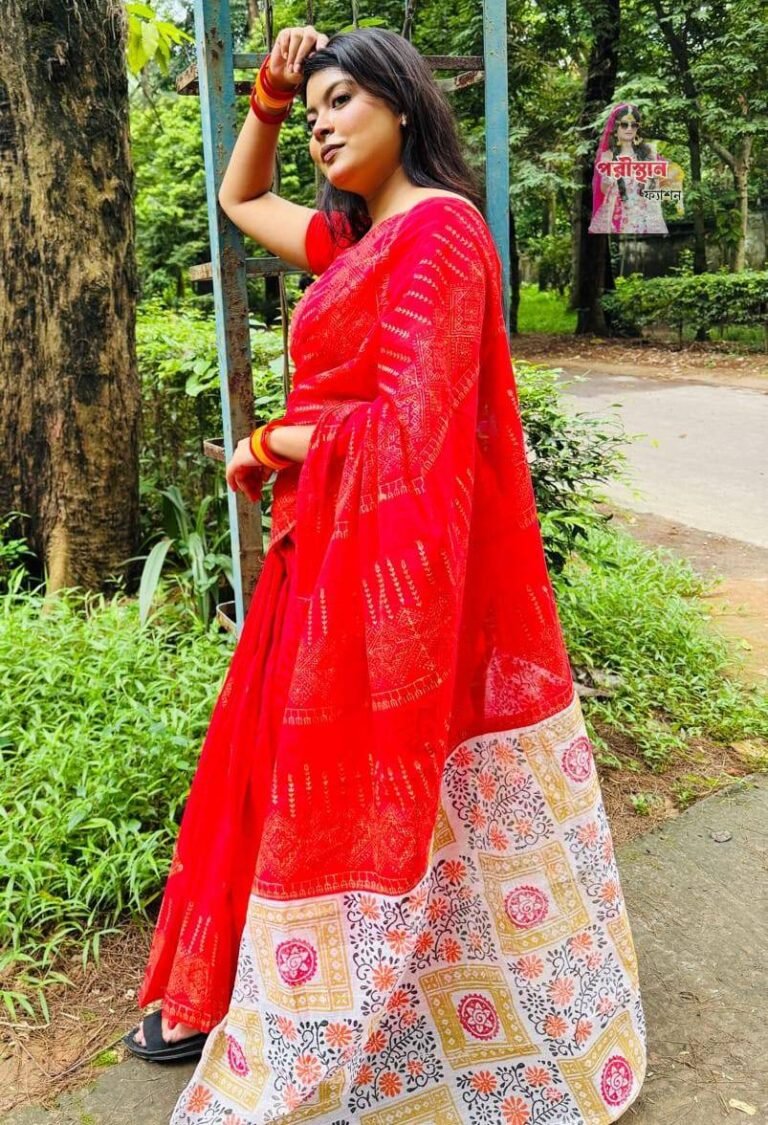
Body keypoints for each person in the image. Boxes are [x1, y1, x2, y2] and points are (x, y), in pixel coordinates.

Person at [125, 24, 647, 1123]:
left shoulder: (440, 233)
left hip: (389, 565)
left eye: (341, 101)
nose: (321, 126)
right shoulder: (358, 244)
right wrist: (266, 99)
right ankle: (257, 987)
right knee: (277, 761)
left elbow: (414, 431)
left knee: (356, 769)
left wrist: (272, 444)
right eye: (311, 111)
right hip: (322, 549)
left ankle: (374, 1002)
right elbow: (239, 200)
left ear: (403, 104)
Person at [589, 103, 668, 236]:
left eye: (634, 125)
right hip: (619, 221)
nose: (629, 129)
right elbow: (603, 190)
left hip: (648, 219)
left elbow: (661, 185)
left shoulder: (650, 153)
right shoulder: (607, 156)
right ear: (615, 127)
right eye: (624, 125)